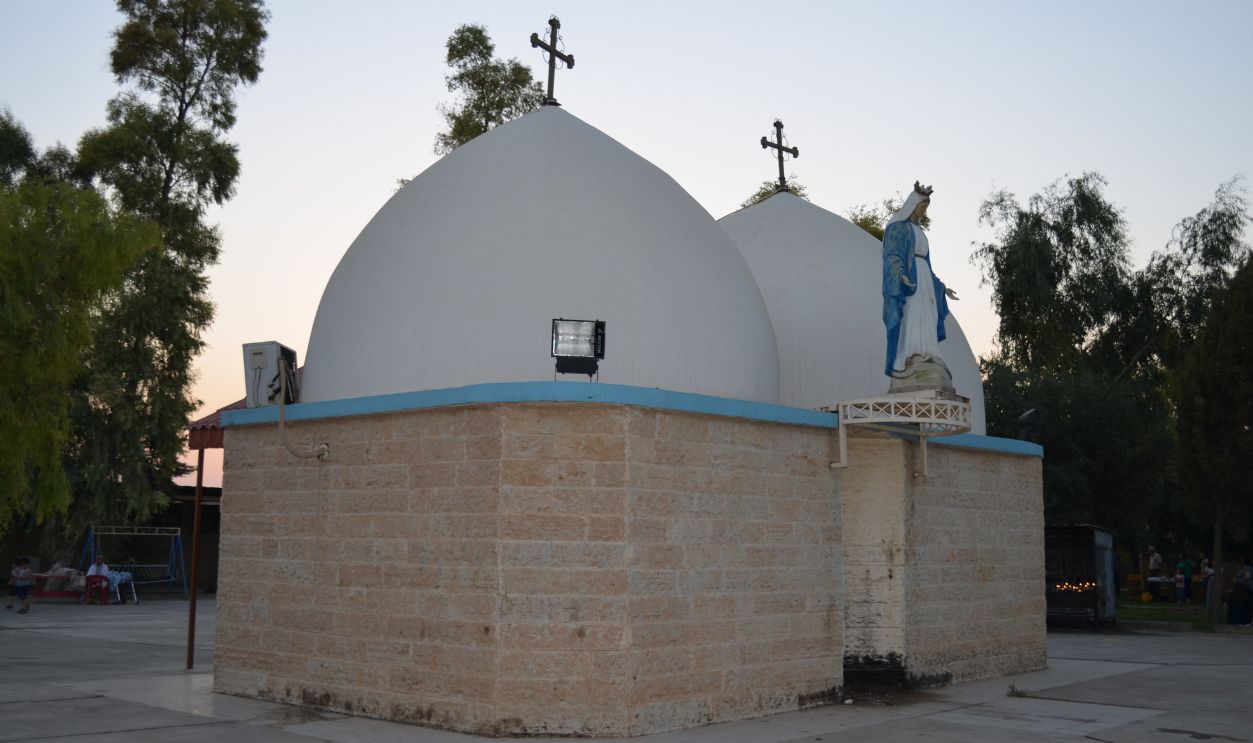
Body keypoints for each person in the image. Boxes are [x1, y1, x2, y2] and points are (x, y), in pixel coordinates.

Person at [881, 181, 959, 389]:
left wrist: (941, 287)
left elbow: (928, 265)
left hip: (924, 278)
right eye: (922, 207)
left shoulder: (920, 232)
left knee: (928, 315)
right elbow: (892, 256)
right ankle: (911, 355)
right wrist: (900, 275)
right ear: (913, 206)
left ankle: (928, 354)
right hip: (911, 280)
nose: (924, 212)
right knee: (913, 315)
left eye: (926, 208)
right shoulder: (898, 227)